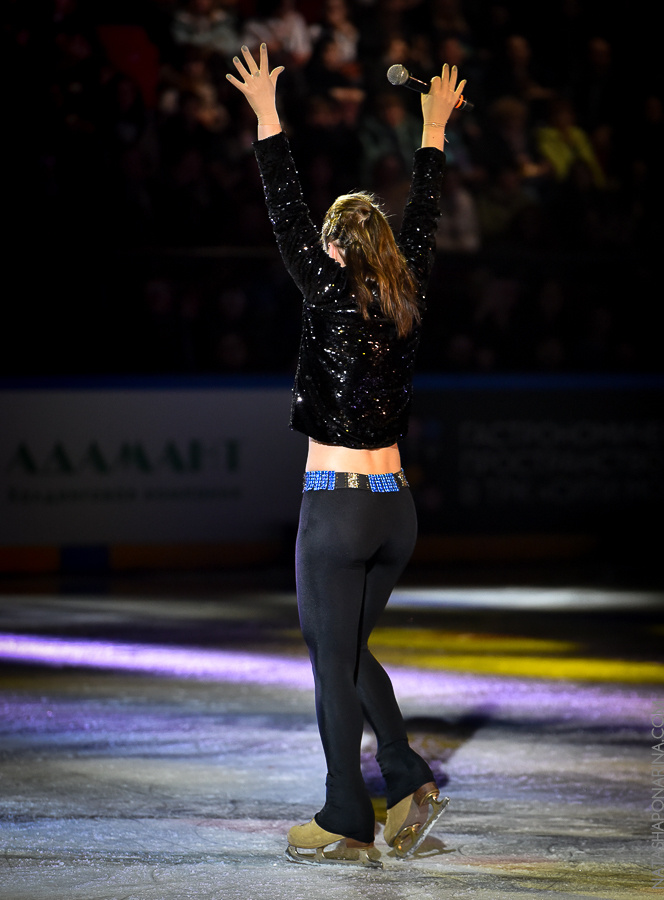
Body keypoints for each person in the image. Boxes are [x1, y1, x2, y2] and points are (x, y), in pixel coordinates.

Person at [226, 43, 465, 868]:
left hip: (335, 508)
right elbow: (426, 212)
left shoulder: (324, 284)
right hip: (395, 510)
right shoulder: (410, 292)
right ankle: (402, 778)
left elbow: (282, 202)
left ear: (332, 247)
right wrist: (432, 128)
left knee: (331, 663)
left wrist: (265, 111)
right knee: (347, 648)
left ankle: (345, 815)